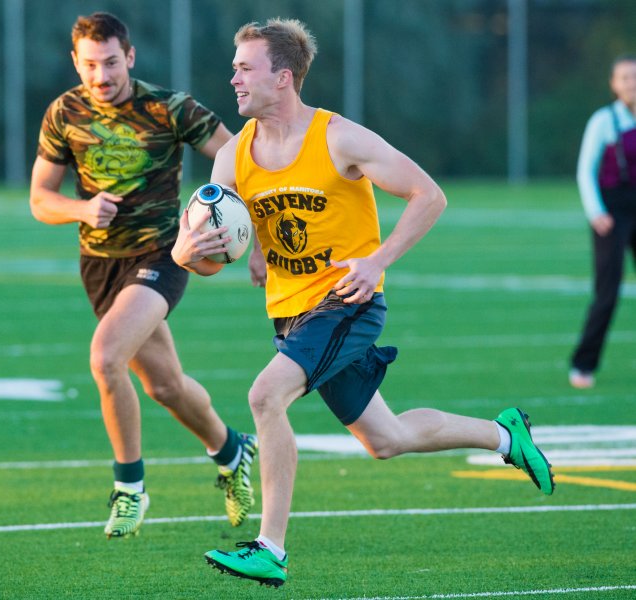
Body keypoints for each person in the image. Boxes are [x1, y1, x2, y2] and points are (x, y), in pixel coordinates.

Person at [171, 18, 555, 588]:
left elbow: (429, 195)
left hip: (348, 302)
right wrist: (185, 251)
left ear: (283, 77)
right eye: (234, 68)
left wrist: (378, 261)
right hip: (290, 312)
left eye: (244, 68)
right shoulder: (233, 159)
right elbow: (209, 256)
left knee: (265, 395)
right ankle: (505, 435)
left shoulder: (339, 138)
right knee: (386, 440)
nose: (233, 79)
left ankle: (270, 549)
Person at [29, 12, 257, 539]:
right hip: (99, 264)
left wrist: (243, 232)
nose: (101, 75)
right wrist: (82, 211)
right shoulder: (64, 112)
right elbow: (41, 198)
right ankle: (231, 449)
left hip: (163, 254)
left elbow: (236, 155)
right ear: (76, 63)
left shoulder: (168, 107)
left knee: (105, 358)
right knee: (166, 387)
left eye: (110, 62)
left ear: (129, 57)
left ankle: (130, 488)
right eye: (90, 65)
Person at [569, 54, 636, 389]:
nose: (631, 84)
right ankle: (583, 365)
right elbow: (586, 169)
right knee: (607, 292)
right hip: (612, 213)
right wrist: (596, 211)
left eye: (634, 77)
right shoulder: (603, 121)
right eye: (624, 78)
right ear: (613, 84)